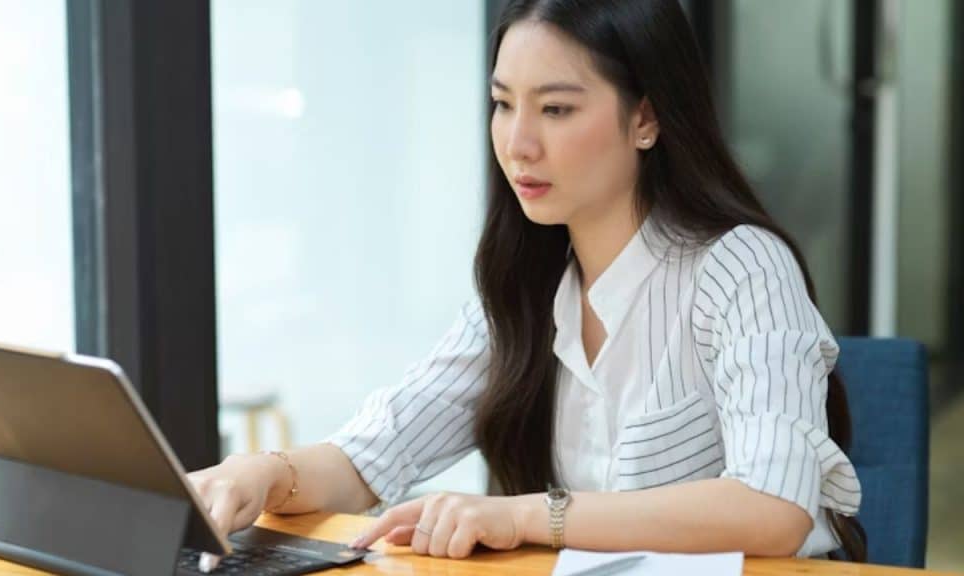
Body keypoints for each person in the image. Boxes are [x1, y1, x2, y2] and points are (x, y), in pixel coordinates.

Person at [189, 0, 865, 569]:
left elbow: (772, 509)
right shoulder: (525, 287)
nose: (517, 144)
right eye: (503, 104)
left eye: (556, 110)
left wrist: (529, 516)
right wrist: (267, 472)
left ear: (647, 120)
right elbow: (377, 453)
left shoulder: (742, 268)